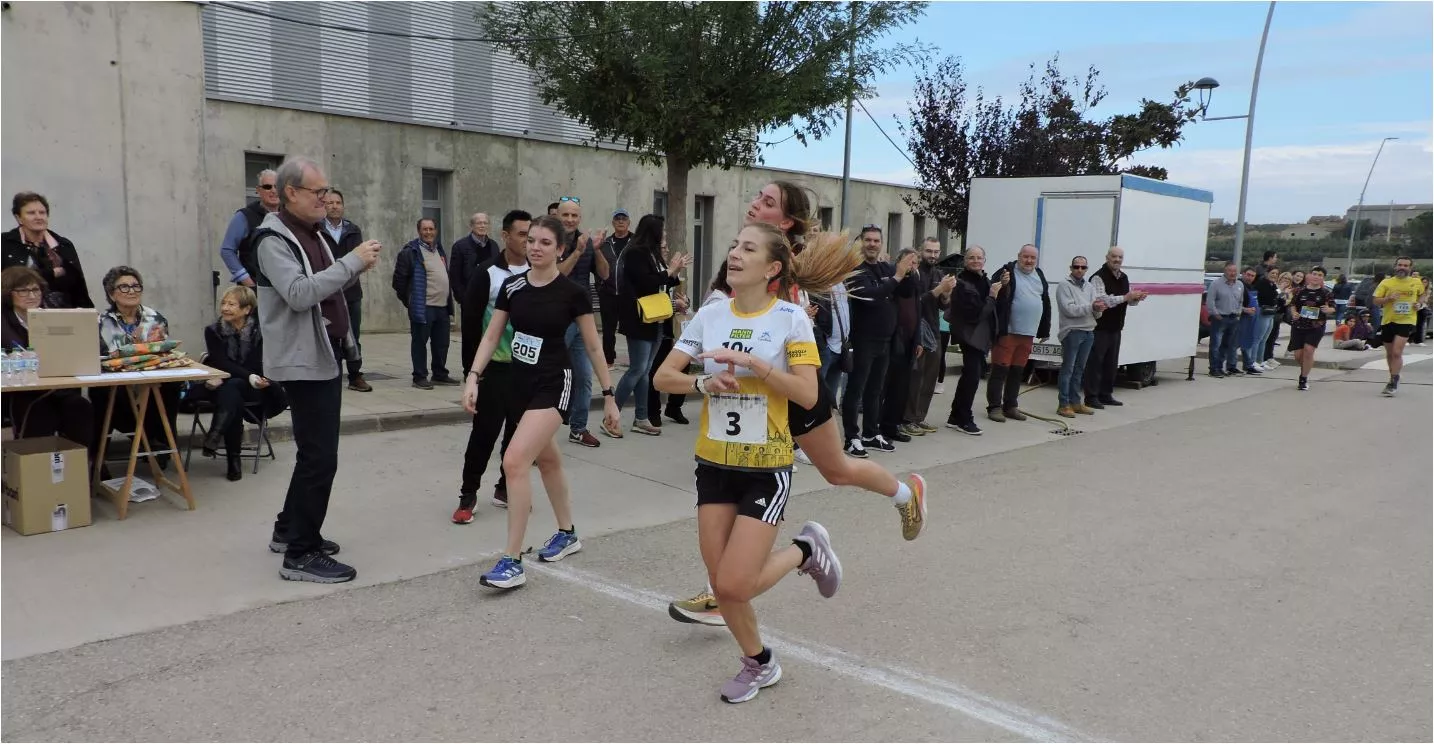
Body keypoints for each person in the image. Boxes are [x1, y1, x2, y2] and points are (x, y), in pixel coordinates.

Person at [665, 181, 925, 627]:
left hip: (791, 388)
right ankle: (721, 590)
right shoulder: (744, 256)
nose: (754, 204)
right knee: (736, 485)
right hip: (745, 396)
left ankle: (906, 495)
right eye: (757, 197)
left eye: (767, 202)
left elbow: (789, 318)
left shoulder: (790, 269)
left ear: (786, 222)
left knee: (836, 470)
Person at [652, 225, 859, 704]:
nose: (735, 254)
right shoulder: (710, 314)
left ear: (772, 268)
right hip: (714, 463)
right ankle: (760, 663)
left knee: (734, 583)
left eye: (748, 249)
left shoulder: (790, 318)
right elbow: (663, 377)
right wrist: (703, 384)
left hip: (767, 466)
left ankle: (805, 550)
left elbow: (807, 393)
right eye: (733, 246)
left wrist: (756, 365)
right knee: (723, 587)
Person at [463, 214, 620, 590]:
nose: (535, 247)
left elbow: (593, 346)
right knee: (547, 460)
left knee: (514, 461)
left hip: (554, 385)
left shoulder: (572, 293)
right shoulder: (513, 286)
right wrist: (473, 376)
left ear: (560, 249)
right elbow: (491, 336)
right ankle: (567, 533)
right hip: (520, 386)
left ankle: (512, 560)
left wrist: (609, 396)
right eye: (531, 240)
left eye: (545, 242)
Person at [253, 156, 382, 583]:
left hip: (324, 353)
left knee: (313, 454)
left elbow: (329, 286)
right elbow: (298, 293)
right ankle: (301, 554)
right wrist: (352, 262)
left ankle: (288, 530)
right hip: (303, 361)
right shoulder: (273, 238)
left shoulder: (313, 232)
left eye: (327, 191)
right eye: (318, 191)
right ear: (291, 193)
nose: (325, 199)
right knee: (320, 459)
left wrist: (354, 267)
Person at [454, 210, 531, 522]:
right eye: (522, 235)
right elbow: (471, 326)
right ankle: (468, 494)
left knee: (518, 435)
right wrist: (472, 375)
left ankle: (504, 488)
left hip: (526, 371)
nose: (528, 241)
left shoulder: (538, 272)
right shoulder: (487, 273)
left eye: (531, 235)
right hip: (494, 369)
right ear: (505, 236)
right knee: (483, 435)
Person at [1, 266, 95, 465]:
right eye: (23, 291)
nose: (31, 295)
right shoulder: (3, 323)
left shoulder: (54, 313)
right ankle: (36, 472)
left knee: (80, 407)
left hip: (61, 386)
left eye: (35, 290)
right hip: (24, 390)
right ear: (9, 294)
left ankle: (80, 469)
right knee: (39, 413)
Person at [92, 266, 180, 470]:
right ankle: (142, 441)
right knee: (108, 393)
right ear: (111, 294)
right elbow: (100, 357)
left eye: (136, 286)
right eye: (124, 287)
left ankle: (159, 441)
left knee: (173, 385)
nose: (132, 291)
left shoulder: (155, 318)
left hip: (149, 379)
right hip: (117, 380)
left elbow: (162, 352)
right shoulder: (100, 322)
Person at [610, 214, 688, 437]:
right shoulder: (636, 253)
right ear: (653, 231)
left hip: (657, 318)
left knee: (645, 371)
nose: (664, 235)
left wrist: (675, 272)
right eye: (662, 231)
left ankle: (641, 418)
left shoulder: (653, 253)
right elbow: (646, 282)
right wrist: (669, 271)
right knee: (637, 369)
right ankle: (611, 415)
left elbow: (663, 282)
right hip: (640, 318)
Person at [200, 285, 287, 481]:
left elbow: (258, 364)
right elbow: (221, 362)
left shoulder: (261, 331)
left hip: (257, 388)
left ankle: (216, 436)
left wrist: (253, 378)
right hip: (226, 386)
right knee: (233, 391)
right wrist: (248, 376)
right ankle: (232, 458)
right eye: (223, 303)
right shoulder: (213, 331)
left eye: (231, 304)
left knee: (233, 389)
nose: (225, 308)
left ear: (247, 309)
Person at [553, 196, 610, 448]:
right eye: (565, 215)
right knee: (550, 377)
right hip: (558, 317)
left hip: (582, 318)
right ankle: (536, 433)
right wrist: (576, 252)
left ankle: (578, 428)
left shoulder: (586, 242)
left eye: (574, 215)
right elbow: (556, 276)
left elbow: (604, 274)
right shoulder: (551, 241)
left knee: (585, 377)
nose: (570, 219)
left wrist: (595, 249)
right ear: (557, 216)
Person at [987, 244, 1050, 421]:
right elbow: (993, 292)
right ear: (1018, 256)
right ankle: (994, 407)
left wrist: (1044, 329)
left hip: (1028, 333)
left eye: (1032, 258)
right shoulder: (1006, 271)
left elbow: (1045, 302)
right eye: (1025, 256)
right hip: (1008, 331)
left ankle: (1010, 406)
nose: (1029, 261)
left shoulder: (1039, 275)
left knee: (1017, 371)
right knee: (1000, 370)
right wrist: (1003, 284)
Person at [393, 218, 457, 390]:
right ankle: (419, 377)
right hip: (423, 307)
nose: (428, 232)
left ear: (436, 231)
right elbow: (398, 281)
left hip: (442, 306)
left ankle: (439, 374)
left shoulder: (439, 249)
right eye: (425, 229)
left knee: (441, 343)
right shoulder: (410, 252)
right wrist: (410, 301)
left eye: (431, 229)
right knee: (420, 343)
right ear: (419, 231)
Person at [2, 192, 94, 309]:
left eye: (42, 212)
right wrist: (53, 273)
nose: (38, 217)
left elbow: (79, 289)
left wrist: (88, 313)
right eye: (31, 213)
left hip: (61, 313)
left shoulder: (63, 245)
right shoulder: (5, 243)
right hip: (15, 314)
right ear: (18, 218)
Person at [320, 189, 371, 392]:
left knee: (353, 334)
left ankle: (355, 375)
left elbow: (359, 260)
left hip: (351, 291)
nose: (334, 206)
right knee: (329, 334)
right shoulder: (317, 229)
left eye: (338, 203)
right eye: (330, 203)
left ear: (343, 206)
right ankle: (331, 375)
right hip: (326, 291)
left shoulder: (353, 230)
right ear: (324, 205)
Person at [1083, 246, 1146, 409]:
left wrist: (1136, 298)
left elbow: (1127, 301)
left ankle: (1106, 394)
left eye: (1120, 257)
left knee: (1111, 364)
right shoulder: (1098, 277)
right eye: (1114, 256)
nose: (1117, 260)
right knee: (1095, 363)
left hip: (1116, 327)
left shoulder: (1124, 277)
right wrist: (1125, 297)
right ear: (1107, 258)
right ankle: (1091, 397)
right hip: (1099, 327)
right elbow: (1102, 301)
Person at [944, 247, 997, 435]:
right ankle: (964, 419)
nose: (976, 261)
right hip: (970, 337)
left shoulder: (983, 280)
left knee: (969, 376)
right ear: (965, 261)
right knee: (972, 377)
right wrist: (992, 297)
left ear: (984, 260)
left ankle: (955, 416)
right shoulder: (963, 284)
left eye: (979, 258)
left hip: (980, 337)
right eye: (971, 258)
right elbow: (976, 314)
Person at [1055, 256, 1103, 415]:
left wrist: (1098, 309)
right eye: (1076, 267)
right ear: (1071, 268)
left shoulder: (1089, 286)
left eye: (1083, 267)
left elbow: (1096, 313)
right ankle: (1063, 404)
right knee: (1068, 369)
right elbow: (1069, 310)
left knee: (1079, 370)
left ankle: (1075, 402)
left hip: (1089, 331)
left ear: (1087, 269)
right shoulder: (1064, 285)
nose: (1079, 270)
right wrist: (1091, 307)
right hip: (1072, 332)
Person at [221, 170, 279, 288]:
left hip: (283, 290)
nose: (273, 190)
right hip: (255, 290)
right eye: (267, 187)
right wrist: (248, 282)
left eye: (277, 186)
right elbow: (227, 250)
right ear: (258, 190)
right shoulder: (244, 216)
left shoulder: (289, 216)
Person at [1373, 257, 1421, 397]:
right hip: (1388, 321)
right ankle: (1394, 376)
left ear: (1410, 268)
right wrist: (1388, 298)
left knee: (1396, 352)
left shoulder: (1416, 282)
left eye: (1405, 265)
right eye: (1400, 265)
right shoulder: (1386, 282)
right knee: (1389, 353)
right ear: (1395, 267)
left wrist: (1419, 303)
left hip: (1407, 320)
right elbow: (1375, 301)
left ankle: (1393, 382)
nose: (1402, 267)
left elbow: (1423, 295)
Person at [1286, 266, 1335, 391]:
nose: (1316, 277)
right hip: (1299, 325)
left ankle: (1303, 378)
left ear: (1323, 278)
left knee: (1308, 350)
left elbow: (1333, 308)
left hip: (1316, 326)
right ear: (1310, 275)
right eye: (1314, 274)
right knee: (1298, 355)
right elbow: (1293, 304)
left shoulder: (1326, 293)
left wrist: (1328, 309)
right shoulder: (1299, 291)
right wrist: (1294, 313)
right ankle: (1306, 368)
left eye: (1320, 275)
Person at [596, 209, 633, 368]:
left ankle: (634, 359)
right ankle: (608, 359)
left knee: (631, 328)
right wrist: (600, 284)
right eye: (617, 219)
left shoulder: (636, 242)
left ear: (629, 222)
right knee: (608, 330)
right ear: (613, 223)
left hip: (628, 293)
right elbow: (595, 265)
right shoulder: (605, 243)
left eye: (624, 218)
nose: (620, 221)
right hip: (608, 292)